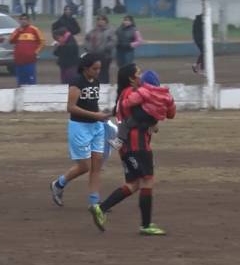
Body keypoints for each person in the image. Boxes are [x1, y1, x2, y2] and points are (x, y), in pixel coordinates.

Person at [89, 64, 174, 236]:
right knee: (147, 180)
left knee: (133, 184)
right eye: (138, 74)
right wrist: (153, 123)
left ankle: (101, 208)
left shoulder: (122, 95)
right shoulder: (132, 94)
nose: (141, 77)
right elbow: (143, 115)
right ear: (131, 78)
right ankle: (146, 224)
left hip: (125, 146)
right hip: (138, 143)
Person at [49, 53, 109, 212]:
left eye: (99, 69)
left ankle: (94, 202)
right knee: (84, 166)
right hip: (79, 127)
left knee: (97, 166)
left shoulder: (95, 81)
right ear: (85, 68)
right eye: (95, 69)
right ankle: (58, 184)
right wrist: (97, 115)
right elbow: (71, 107)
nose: (98, 72)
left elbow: (92, 104)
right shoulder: (76, 82)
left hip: (96, 127)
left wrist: (102, 115)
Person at [108, 70, 176, 150]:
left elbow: (133, 100)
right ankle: (152, 125)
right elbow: (171, 113)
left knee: (124, 124)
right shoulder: (164, 94)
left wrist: (125, 102)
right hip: (154, 119)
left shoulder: (143, 91)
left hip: (141, 117)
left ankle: (119, 141)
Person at [9, 14, 46, 86]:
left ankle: (31, 96)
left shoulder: (34, 30)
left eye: (25, 19)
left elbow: (42, 42)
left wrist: (35, 52)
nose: (23, 21)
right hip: (19, 61)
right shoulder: (17, 30)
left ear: (29, 21)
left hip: (30, 61)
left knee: (31, 82)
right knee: (20, 83)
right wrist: (19, 32)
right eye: (21, 19)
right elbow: (11, 41)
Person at [85, 14, 116, 84]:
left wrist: (104, 47)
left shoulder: (110, 30)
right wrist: (88, 48)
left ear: (106, 21)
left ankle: (104, 86)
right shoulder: (93, 31)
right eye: (98, 19)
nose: (100, 21)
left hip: (105, 55)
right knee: (94, 72)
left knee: (104, 72)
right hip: (93, 55)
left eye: (102, 20)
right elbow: (87, 40)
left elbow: (113, 41)